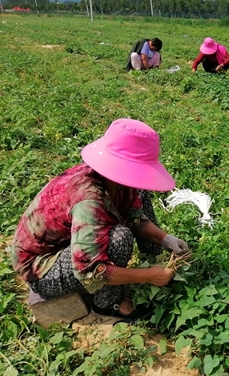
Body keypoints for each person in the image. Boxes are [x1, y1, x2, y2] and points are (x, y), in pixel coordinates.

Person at [11, 119, 189, 320]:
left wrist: (165, 239)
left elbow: (134, 215)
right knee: (119, 238)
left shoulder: (111, 178)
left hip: (71, 240)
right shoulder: (89, 201)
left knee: (140, 192)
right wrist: (148, 276)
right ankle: (108, 304)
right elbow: (90, 270)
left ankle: (154, 258)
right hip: (42, 268)